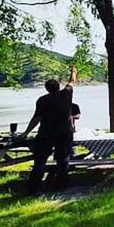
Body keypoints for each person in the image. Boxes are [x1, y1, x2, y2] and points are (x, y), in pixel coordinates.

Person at [21, 66, 77, 194]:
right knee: (63, 159)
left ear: (46, 89)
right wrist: (73, 71)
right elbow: (72, 82)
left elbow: (36, 118)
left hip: (46, 132)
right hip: (64, 132)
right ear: (58, 86)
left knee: (40, 160)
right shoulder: (66, 94)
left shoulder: (42, 100)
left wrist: (26, 132)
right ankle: (61, 186)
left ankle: (33, 187)